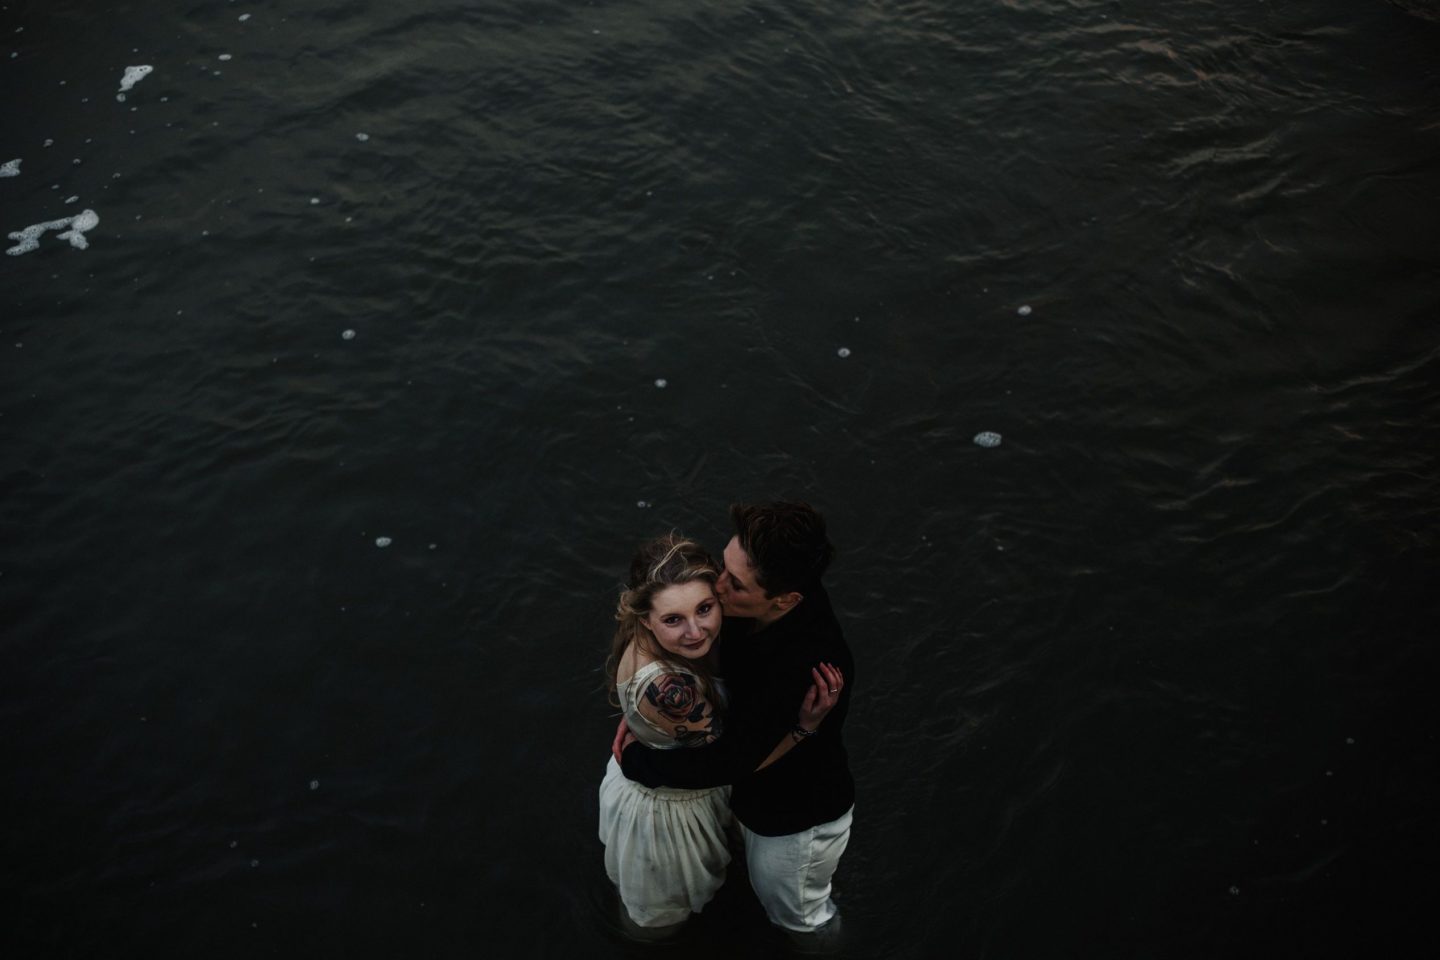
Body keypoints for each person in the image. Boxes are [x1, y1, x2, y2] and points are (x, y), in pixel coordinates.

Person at [614, 502, 855, 938]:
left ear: (785, 600)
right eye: (722, 567)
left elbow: (730, 761)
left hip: (792, 816)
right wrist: (648, 711)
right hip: (740, 793)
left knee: (799, 919)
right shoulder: (757, 593)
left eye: (735, 585)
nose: (717, 588)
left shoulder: (804, 667)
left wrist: (639, 762)